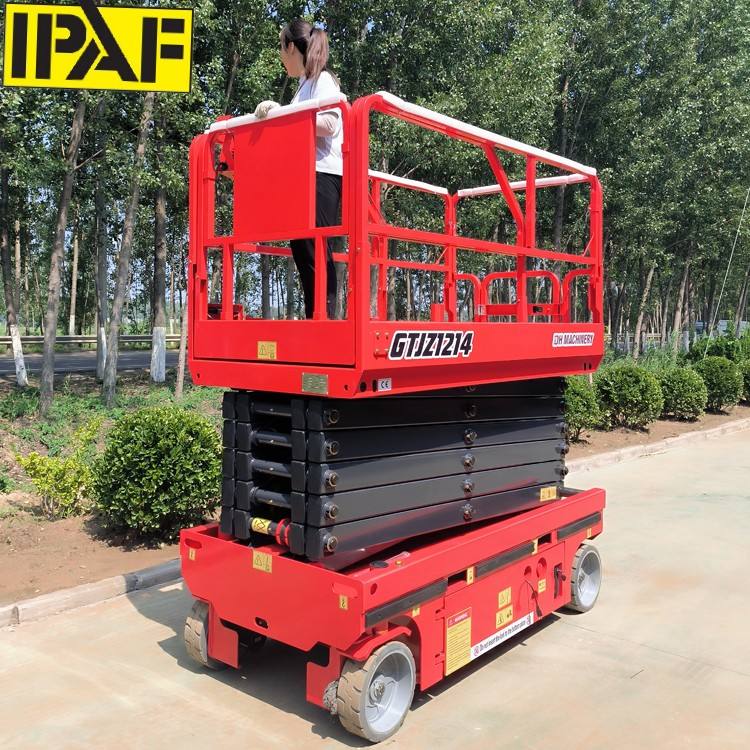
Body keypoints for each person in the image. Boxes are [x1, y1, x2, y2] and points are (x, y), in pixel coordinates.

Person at [254, 20, 343, 319]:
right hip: (302, 174)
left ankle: (323, 320)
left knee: (314, 248)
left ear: (291, 47)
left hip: (323, 174)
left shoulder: (323, 80)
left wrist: (284, 114)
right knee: (302, 250)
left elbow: (330, 124)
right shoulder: (304, 85)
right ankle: (314, 317)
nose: (281, 57)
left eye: (281, 48)